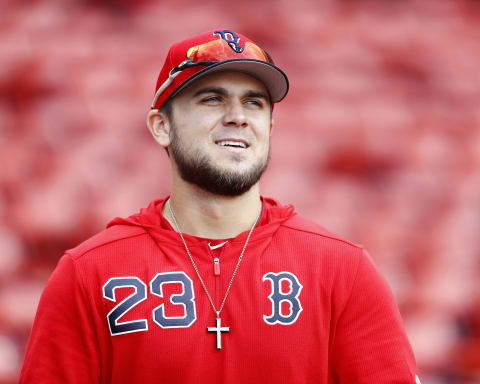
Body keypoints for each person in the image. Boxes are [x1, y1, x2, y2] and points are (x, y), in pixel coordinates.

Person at [20, 29, 421, 383]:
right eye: (212, 99)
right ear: (162, 126)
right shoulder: (89, 273)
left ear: (270, 127)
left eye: (254, 103)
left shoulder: (342, 270)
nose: (238, 117)